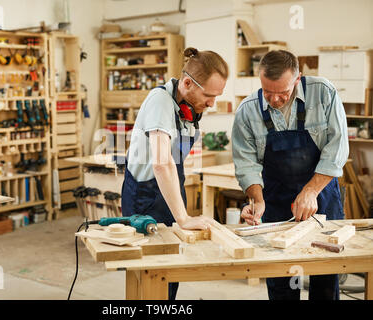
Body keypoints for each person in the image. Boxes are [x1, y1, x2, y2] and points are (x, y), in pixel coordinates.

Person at [231, 50, 348, 300]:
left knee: (325, 276)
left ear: (297, 79)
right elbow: (246, 163)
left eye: (282, 93)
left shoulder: (323, 93)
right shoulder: (247, 110)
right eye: (267, 91)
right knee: (282, 279)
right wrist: (256, 200)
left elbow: (337, 147)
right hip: (275, 202)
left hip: (322, 197)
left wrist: (311, 191)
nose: (274, 99)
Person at [121, 47, 228, 299]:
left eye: (217, 96)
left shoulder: (189, 108)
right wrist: (184, 219)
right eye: (209, 95)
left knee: (168, 274)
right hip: (145, 198)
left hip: (168, 195)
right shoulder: (160, 101)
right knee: (151, 277)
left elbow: (175, 160)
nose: (212, 103)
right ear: (188, 83)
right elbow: (161, 163)